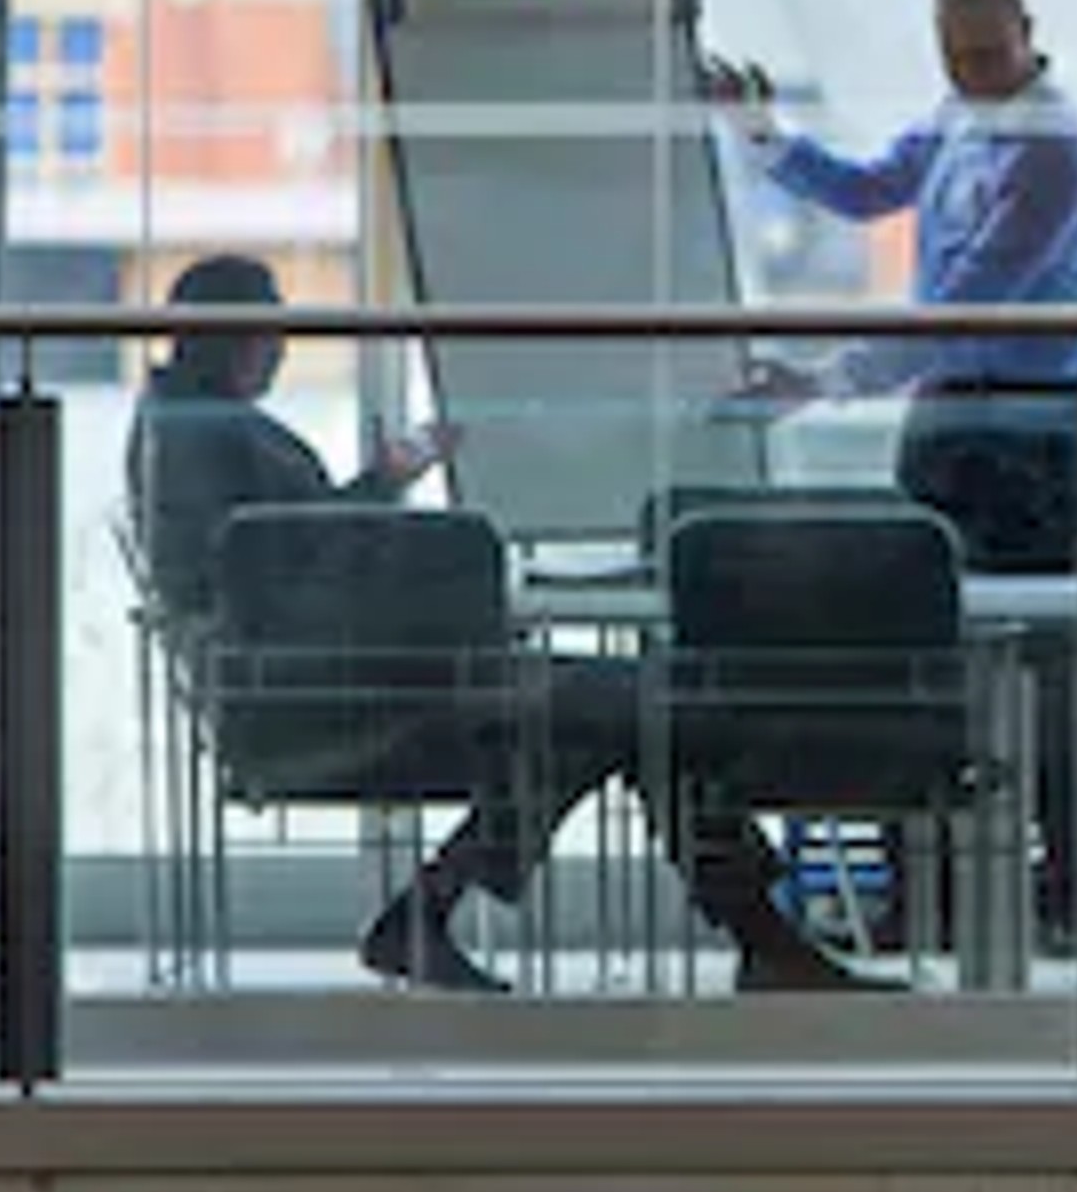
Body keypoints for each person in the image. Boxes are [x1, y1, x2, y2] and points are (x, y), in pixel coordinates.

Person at [124, 255, 876, 995]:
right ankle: (756, 934)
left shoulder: (190, 428)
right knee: (634, 707)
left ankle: (434, 912)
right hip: (324, 696)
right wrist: (408, 541)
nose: (283, 351)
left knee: (621, 708)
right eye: (273, 333)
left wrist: (388, 499)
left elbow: (291, 556)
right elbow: (277, 573)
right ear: (231, 337)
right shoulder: (203, 434)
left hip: (329, 676)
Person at [708, 0, 1077, 935]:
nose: (968, 69)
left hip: (1031, 431)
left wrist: (827, 380)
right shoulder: (958, 117)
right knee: (915, 650)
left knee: (1046, 669)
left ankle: (1059, 895)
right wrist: (761, 134)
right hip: (950, 415)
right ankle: (923, 889)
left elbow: (973, 297)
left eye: (985, 51)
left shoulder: (1059, 150)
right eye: (954, 52)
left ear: (1028, 29)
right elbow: (866, 190)